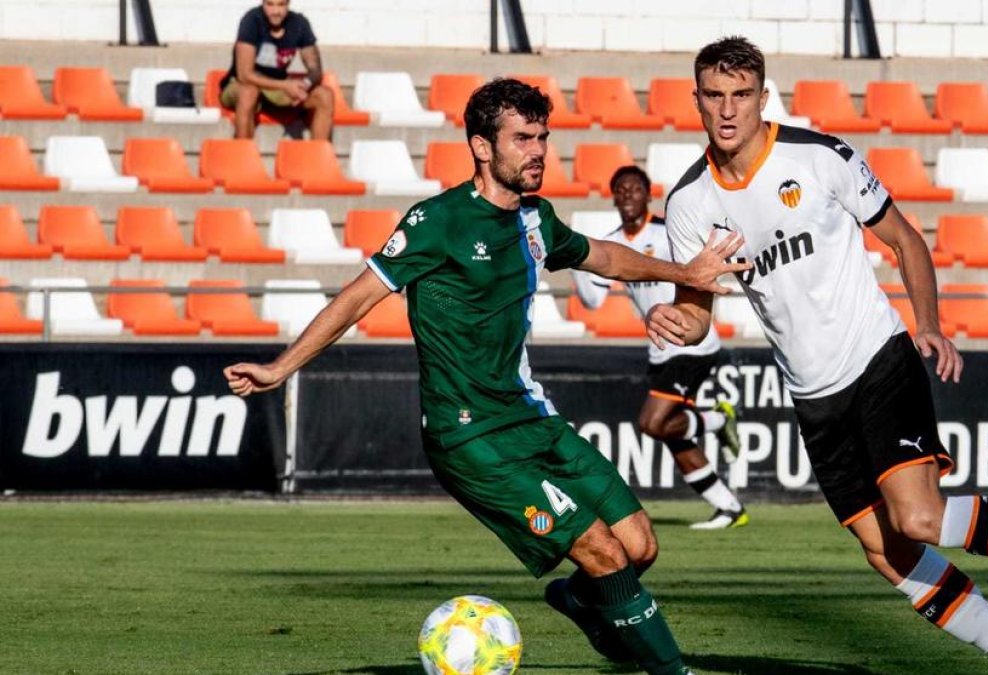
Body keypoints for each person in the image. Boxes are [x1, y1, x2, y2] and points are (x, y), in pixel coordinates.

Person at [646, 36, 988, 674]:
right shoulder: (689, 202)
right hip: (813, 397)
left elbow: (905, 239)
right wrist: (679, 323)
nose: (728, 110)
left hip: (877, 359)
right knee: (887, 552)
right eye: (715, 95)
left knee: (918, 518)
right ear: (696, 99)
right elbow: (697, 309)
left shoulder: (820, 157)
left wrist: (930, 325)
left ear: (763, 97)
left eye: (741, 95)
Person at [224, 78, 750, 675]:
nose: (538, 151)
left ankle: (579, 600)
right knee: (602, 551)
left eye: (542, 137)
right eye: (522, 138)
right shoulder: (437, 221)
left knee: (639, 547)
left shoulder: (535, 218)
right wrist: (281, 367)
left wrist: (685, 272)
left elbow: (603, 256)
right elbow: (357, 298)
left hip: (532, 418)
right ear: (481, 146)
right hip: (470, 436)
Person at [572, 165, 747, 530]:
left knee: (652, 422)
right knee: (670, 432)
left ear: (647, 195)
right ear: (613, 197)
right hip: (659, 349)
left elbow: (701, 268)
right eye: (621, 190)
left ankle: (718, 419)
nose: (627, 195)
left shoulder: (665, 232)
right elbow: (591, 301)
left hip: (691, 343)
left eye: (634, 189)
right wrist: (576, 262)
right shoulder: (613, 244)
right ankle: (730, 508)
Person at [219, 0, 334, 140]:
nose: (275, 12)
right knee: (249, 92)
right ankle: (242, 152)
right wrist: (285, 85)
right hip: (241, 85)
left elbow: (315, 70)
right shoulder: (252, 21)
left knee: (325, 95)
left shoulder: (299, 23)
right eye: (270, 4)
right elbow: (244, 75)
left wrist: (304, 86)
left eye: (281, 5)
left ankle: (319, 152)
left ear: (288, 4)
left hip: (276, 89)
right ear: (262, 3)